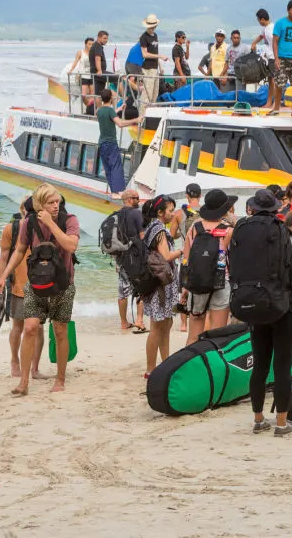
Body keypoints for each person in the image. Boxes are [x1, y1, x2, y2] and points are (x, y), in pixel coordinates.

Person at [0, 184, 80, 396]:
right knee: (30, 327)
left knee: (60, 330)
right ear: (40, 204)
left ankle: (60, 379)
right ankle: (23, 382)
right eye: (51, 202)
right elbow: (19, 250)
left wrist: (51, 223)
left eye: (57, 201)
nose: (56, 205)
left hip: (63, 284)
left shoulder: (70, 220)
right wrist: (3, 276)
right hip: (36, 283)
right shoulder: (28, 223)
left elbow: (71, 246)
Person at [245, 190, 292, 437]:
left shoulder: (244, 228)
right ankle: (281, 423)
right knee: (282, 366)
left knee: (259, 365)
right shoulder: (280, 230)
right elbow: (287, 268)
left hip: (254, 302)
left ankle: (259, 419)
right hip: (280, 303)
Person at [0, 202, 45, 379]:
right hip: (18, 285)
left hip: (41, 286)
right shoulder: (12, 229)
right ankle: (14, 360)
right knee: (18, 326)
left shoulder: (44, 227)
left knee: (38, 328)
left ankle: (35, 368)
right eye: (27, 210)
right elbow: (3, 257)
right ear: (22, 210)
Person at [180, 189, 236, 346]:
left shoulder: (194, 228)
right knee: (218, 337)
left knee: (193, 336)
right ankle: (214, 369)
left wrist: (185, 287)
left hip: (197, 284)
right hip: (221, 283)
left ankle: (190, 367)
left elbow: (186, 260)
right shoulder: (229, 231)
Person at [141, 195, 182, 377]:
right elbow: (165, 256)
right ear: (160, 212)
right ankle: (150, 369)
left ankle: (165, 365)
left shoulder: (151, 227)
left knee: (164, 325)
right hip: (161, 285)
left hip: (158, 283)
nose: (172, 214)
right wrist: (182, 251)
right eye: (170, 210)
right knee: (158, 328)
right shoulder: (159, 230)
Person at [96, 89, 140, 194]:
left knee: (108, 168)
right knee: (116, 167)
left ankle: (113, 191)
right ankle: (118, 192)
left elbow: (109, 114)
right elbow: (120, 123)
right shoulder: (110, 110)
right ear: (111, 98)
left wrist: (119, 109)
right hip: (111, 143)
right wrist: (135, 120)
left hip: (102, 143)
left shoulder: (99, 110)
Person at [115, 189, 146, 333]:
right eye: (136, 198)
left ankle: (123, 322)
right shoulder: (136, 213)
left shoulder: (116, 215)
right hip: (136, 257)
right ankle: (139, 320)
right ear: (128, 199)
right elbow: (142, 236)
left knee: (122, 292)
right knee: (140, 289)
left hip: (121, 258)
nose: (138, 201)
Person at [139, 14, 167, 114]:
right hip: (147, 68)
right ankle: (142, 117)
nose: (151, 28)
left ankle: (151, 115)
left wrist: (160, 66)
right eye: (149, 27)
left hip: (155, 68)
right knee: (147, 94)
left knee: (155, 94)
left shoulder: (155, 36)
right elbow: (145, 54)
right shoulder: (143, 37)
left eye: (152, 26)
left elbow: (155, 51)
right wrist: (160, 56)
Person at [251, 8, 276, 110]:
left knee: (275, 81)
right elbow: (261, 36)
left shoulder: (271, 29)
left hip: (274, 58)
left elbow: (275, 43)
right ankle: (269, 102)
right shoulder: (265, 28)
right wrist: (254, 43)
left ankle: (274, 103)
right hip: (269, 58)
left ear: (262, 19)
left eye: (258, 20)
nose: (258, 22)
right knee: (270, 80)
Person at [67, 37, 94, 109]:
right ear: (85, 44)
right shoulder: (80, 52)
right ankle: (88, 106)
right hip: (83, 76)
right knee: (84, 95)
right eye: (89, 44)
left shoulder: (93, 53)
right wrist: (71, 70)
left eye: (92, 44)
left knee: (92, 94)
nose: (90, 46)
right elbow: (75, 62)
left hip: (91, 75)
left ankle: (91, 109)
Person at [89, 30, 110, 97]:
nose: (106, 40)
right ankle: (124, 98)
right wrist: (99, 70)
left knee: (99, 94)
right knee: (119, 78)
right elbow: (97, 58)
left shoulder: (96, 45)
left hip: (95, 72)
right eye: (104, 38)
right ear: (98, 38)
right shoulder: (98, 46)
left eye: (107, 38)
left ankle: (98, 107)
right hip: (99, 72)